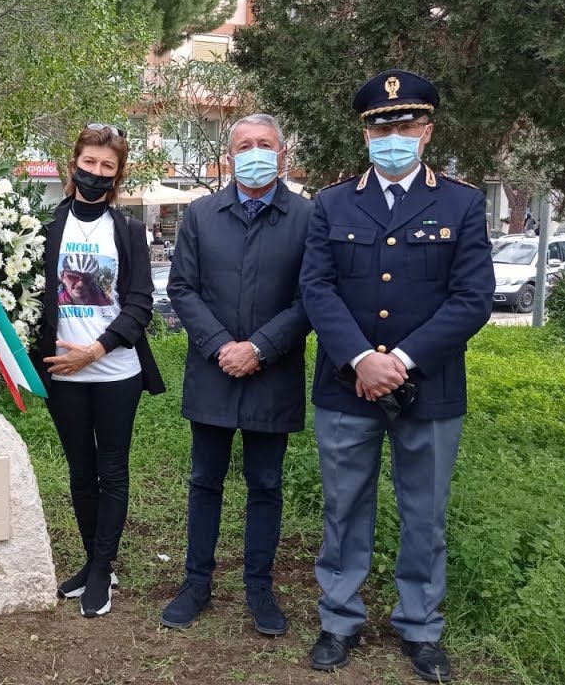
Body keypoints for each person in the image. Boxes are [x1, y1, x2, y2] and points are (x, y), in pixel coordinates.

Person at [299, 70, 493, 682]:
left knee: (425, 512)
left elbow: (472, 298)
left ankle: (420, 628)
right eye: (380, 126)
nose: (391, 135)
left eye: (404, 126)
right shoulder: (331, 203)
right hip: (345, 385)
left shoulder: (461, 202)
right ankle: (339, 621)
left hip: (428, 389)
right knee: (344, 507)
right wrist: (362, 359)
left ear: (426, 132)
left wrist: (398, 361)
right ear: (365, 136)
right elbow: (317, 287)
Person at [162, 114, 314, 635]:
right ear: (229, 156)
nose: (255, 153)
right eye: (244, 145)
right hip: (214, 372)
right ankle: (196, 583)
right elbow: (182, 289)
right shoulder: (202, 215)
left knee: (265, 484)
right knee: (204, 482)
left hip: (274, 376)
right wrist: (223, 345)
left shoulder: (308, 219)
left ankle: (260, 588)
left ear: (282, 153)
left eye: (264, 144)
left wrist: (261, 347)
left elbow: (312, 297)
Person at [32, 124, 166, 618]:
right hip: (61, 370)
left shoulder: (127, 230)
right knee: (80, 472)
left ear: (117, 175)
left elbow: (139, 303)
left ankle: (102, 567)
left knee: (111, 469)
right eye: (89, 163)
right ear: (74, 164)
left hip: (115, 371)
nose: (96, 173)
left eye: (107, 167)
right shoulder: (48, 224)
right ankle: (96, 565)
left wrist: (95, 350)